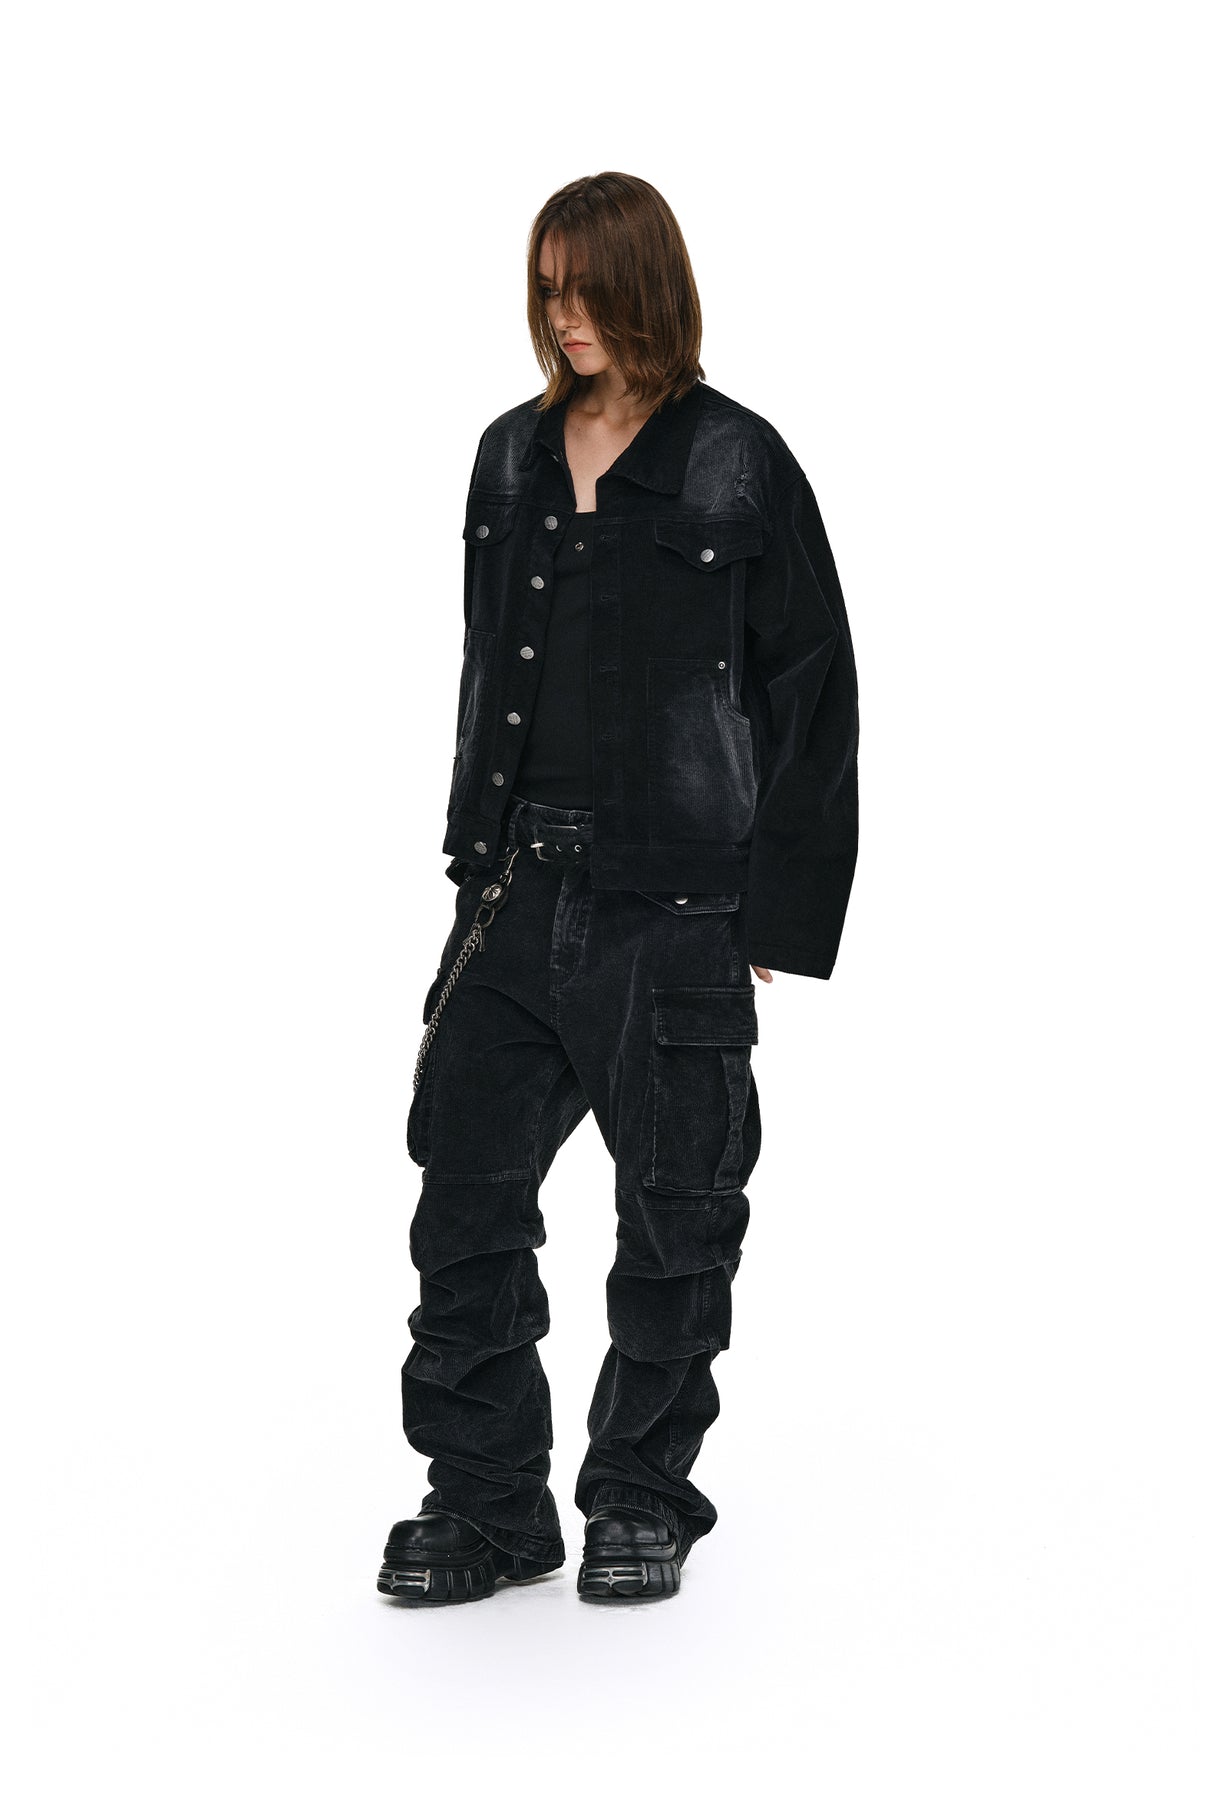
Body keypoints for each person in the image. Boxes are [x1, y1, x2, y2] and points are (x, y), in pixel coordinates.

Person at [378, 171, 859, 1606]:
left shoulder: (737, 462)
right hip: (513, 891)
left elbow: (814, 688)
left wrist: (777, 911)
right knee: (464, 1203)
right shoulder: (507, 459)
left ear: (648, 284)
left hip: (677, 903)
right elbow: (488, 666)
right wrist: (472, 858)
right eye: (546, 290)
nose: (563, 316)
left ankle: (642, 1495)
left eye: (586, 288)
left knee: (677, 1216)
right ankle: (486, 1507)